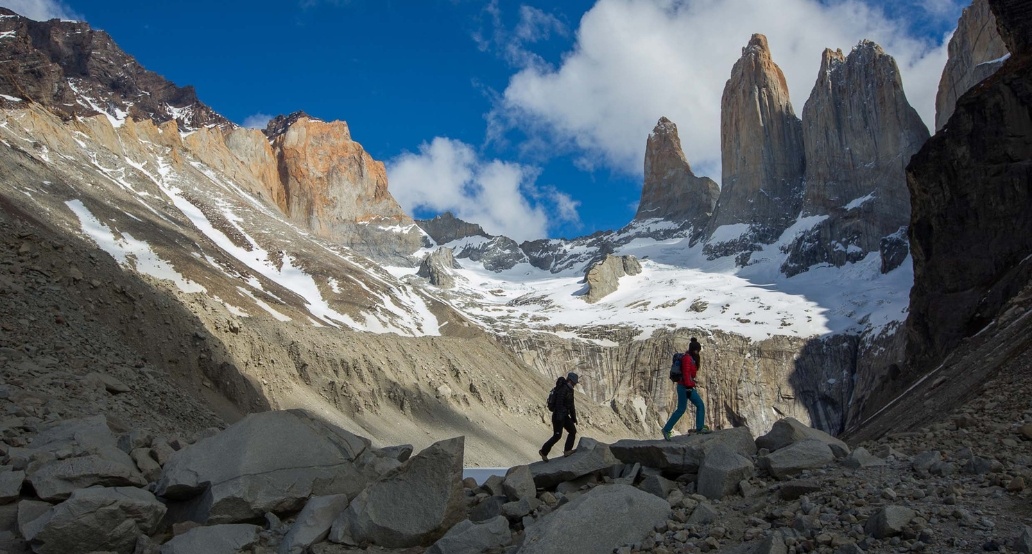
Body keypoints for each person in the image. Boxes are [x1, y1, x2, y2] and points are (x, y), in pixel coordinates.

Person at [662, 337, 709, 440]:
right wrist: (688, 386)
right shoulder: (688, 359)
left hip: (685, 386)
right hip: (685, 387)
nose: (698, 352)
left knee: (684, 408)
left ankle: (667, 429)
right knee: (693, 406)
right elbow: (686, 373)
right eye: (697, 350)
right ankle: (667, 429)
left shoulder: (689, 357)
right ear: (694, 350)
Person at [539, 372, 579, 461]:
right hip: (558, 416)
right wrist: (560, 416)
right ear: (569, 380)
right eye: (574, 382)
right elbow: (559, 403)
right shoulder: (563, 389)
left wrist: (573, 418)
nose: (574, 384)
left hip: (563, 416)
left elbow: (572, 405)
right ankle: (543, 452)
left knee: (572, 431)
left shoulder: (569, 389)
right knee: (557, 435)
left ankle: (567, 450)